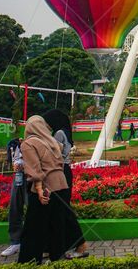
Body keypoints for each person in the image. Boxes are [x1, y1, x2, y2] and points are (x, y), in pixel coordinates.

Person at [17, 116, 70, 264]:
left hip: (46, 186)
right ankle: (57, 258)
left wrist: (40, 190)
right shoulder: (53, 142)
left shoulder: (28, 144)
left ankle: (30, 261)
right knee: (56, 225)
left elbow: (35, 170)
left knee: (34, 227)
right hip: (61, 184)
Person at [43, 109, 88, 259]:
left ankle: (80, 244)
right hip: (65, 171)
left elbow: (53, 154)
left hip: (59, 171)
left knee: (62, 209)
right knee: (61, 209)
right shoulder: (66, 132)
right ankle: (55, 245)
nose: (47, 125)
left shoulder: (58, 134)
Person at [1, 137, 27, 257]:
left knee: (33, 211)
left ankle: (41, 243)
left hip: (32, 179)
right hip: (18, 178)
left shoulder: (38, 140)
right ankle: (16, 242)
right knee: (14, 208)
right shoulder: (17, 144)